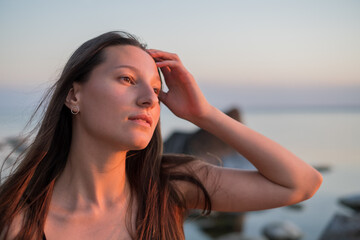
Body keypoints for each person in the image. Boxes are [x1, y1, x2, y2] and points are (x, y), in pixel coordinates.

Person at [0, 31, 322, 240]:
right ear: (74, 96)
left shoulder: (169, 186)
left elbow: (302, 183)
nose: (150, 99)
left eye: (156, 89)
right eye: (126, 79)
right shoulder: (15, 223)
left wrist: (203, 114)